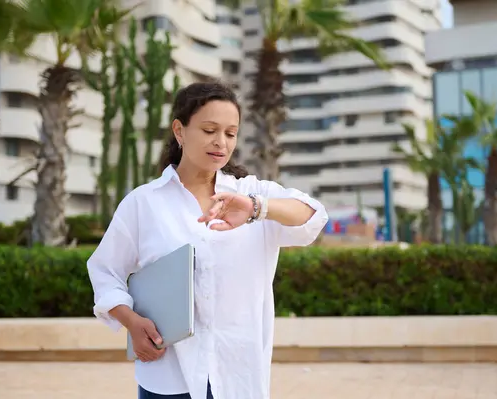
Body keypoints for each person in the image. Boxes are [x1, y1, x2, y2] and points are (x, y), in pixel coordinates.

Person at [86, 81, 329, 399]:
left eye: (230, 133)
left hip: (238, 375)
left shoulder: (251, 193)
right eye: (209, 130)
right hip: (167, 376)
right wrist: (131, 322)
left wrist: (258, 208)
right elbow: (105, 272)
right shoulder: (144, 203)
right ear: (179, 130)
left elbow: (313, 215)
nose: (221, 143)